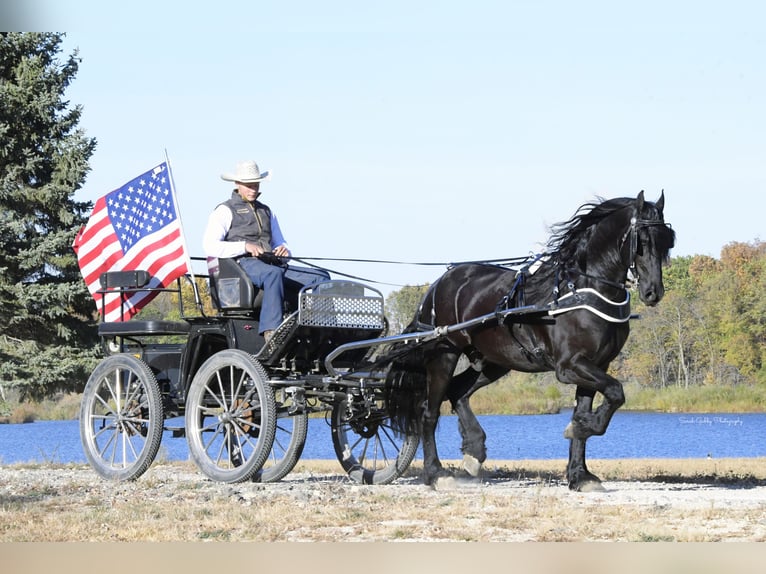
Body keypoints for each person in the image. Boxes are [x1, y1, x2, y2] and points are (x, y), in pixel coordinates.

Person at [203, 160, 330, 341]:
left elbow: (281, 242)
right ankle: (271, 331)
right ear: (237, 184)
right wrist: (244, 246)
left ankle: (319, 328)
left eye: (255, 184)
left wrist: (284, 251)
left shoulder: (267, 211)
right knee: (273, 275)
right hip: (242, 265)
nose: (253, 189)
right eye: (248, 185)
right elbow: (210, 245)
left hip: (272, 263)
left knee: (321, 277)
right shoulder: (224, 210)